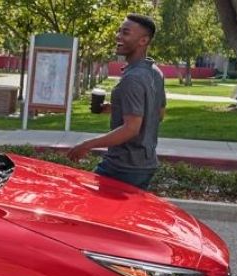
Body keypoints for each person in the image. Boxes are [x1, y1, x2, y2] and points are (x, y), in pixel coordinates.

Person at [67, 14, 166, 190]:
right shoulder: (155, 72)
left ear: (143, 41)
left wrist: (86, 145)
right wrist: (117, 108)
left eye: (125, 33)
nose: (118, 36)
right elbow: (158, 113)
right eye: (119, 31)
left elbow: (131, 129)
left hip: (123, 167)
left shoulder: (133, 78)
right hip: (144, 165)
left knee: (85, 203)